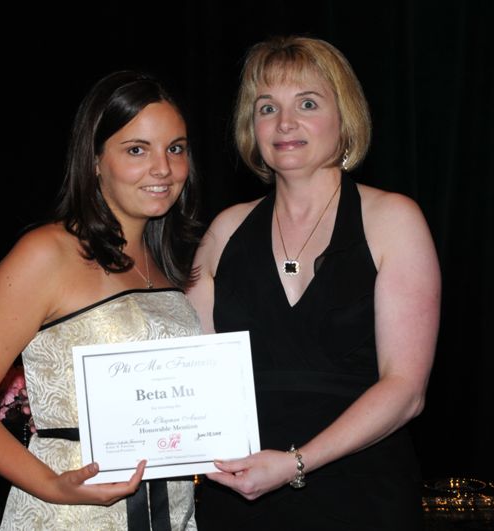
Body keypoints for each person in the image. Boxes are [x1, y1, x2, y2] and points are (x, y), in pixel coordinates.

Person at [187, 35, 441, 530]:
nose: (285, 123)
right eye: (267, 107)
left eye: (307, 103)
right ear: (251, 127)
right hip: (240, 499)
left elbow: (406, 390)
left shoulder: (393, 220)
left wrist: (294, 463)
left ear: (344, 119)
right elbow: (191, 374)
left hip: (362, 496)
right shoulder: (224, 231)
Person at [0, 70, 203, 530]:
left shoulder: (163, 265)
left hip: (171, 513)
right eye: (137, 149)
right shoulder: (47, 253)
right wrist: (51, 484)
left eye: (175, 148)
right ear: (95, 160)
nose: (163, 168)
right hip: (68, 514)